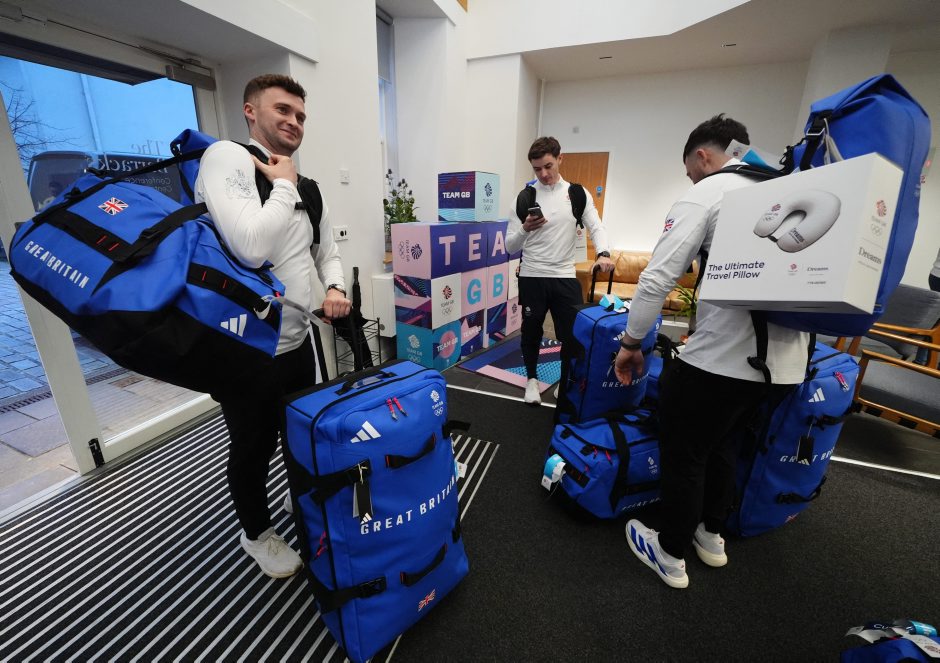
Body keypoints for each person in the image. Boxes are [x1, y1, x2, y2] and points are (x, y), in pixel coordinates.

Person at [614, 115, 808, 589]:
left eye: (689, 171)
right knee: (726, 444)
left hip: (720, 361)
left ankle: (670, 553)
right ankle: (712, 535)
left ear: (703, 155)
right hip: (785, 369)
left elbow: (656, 279)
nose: (691, 179)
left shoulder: (709, 191)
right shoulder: (786, 186)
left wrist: (631, 343)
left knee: (686, 452)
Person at [195, 74, 351, 578]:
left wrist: (334, 288)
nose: (294, 122)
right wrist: (283, 185)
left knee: (297, 433)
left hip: (297, 340)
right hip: (244, 347)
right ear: (250, 111)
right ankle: (255, 532)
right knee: (253, 445)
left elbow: (326, 253)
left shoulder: (307, 188)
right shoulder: (226, 159)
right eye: (282, 110)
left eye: (300, 115)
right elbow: (250, 246)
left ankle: (297, 495)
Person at [506, 136, 614, 405]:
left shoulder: (577, 194)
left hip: (564, 276)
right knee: (531, 332)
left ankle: (565, 381)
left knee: (572, 337)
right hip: (532, 276)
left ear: (560, 159)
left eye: (548, 166)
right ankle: (532, 380)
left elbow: (596, 226)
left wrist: (603, 253)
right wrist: (525, 229)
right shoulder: (524, 198)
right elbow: (509, 246)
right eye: (537, 169)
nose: (543, 174)